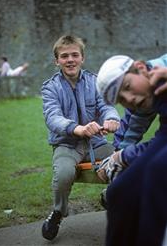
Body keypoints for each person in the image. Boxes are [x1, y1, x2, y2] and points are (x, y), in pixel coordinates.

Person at [41, 35, 120, 241]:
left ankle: (109, 196)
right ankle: (58, 213)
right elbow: (53, 117)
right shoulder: (50, 87)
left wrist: (111, 119)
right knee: (64, 174)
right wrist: (77, 129)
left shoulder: (94, 81)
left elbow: (106, 106)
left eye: (75, 55)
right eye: (64, 56)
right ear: (56, 61)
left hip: (97, 143)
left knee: (125, 161)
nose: (70, 60)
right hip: (67, 145)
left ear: (82, 58)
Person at [96, 55, 167, 246]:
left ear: (140, 67)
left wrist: (125, 156)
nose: (129, 99)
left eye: (127, 86)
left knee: (157, 169)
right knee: (119, 192)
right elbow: (141, 130)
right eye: (121, 99)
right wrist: (117, 157)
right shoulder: (149, 92)